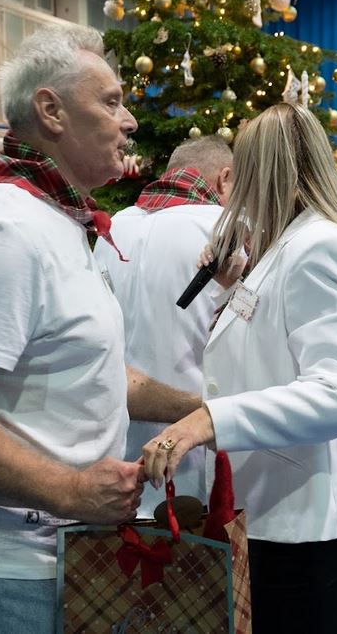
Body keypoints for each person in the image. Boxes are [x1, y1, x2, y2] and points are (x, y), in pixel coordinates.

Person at [0, 24, 202, 633]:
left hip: (34, 564)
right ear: (51, 111)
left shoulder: (55, 219)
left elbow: (98, 372)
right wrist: (70, 491)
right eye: (111, 102)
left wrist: (204, 411)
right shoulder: (3, 230)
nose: (129, 120)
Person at [141, 103, 337, 633]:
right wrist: (232, 287)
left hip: (308, 522)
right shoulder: (289, 245)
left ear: (259, 171)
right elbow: (273, 344)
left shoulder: (319, 247)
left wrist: (209, 420)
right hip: (275, 511)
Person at [96, 135, 234, 517]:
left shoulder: (113, 228)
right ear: (224, 179)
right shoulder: (228, 230)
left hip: (118, 458)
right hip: (197, 455)